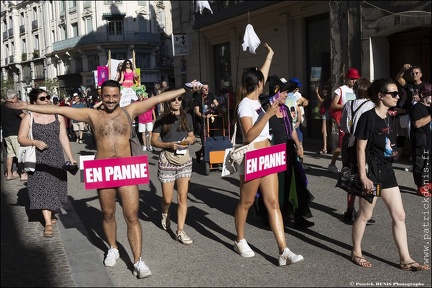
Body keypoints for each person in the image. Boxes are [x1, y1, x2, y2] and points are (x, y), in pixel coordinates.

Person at [7, 79, 202, 278]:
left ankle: (138, 260)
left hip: (126, 169)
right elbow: (60, 110)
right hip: (103, 169)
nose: (110, 100)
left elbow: (160, 97)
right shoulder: (92, 114)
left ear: (119, 95)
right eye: (107, 96)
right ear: (101, 96)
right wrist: (27, 106)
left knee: (132, 216)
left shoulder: (130, 110)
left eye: (114, 96)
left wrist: (185, 90)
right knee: (108, 214)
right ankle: (113, 247)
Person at [233, 43, 304, 266]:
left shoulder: (258, 99)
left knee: (273, 202)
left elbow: (261, 74)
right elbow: (248, 135)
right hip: (253, 156)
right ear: (259, 85)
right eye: (262, 81)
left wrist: (270, 56)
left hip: (268, 156)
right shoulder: (246, 105)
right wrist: (268, 114)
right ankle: (240, 239)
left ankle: (283, 250)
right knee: (245, 202)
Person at [351, 77, 430, 271]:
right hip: (372, 172)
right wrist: (363, 176)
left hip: (387, 172)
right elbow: (360, 148)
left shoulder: (390, 116)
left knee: (400, 215)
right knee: (365, 215)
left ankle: (405, 258)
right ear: (380, 96)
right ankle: (356, 252)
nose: (397, 97)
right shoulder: (368, 117)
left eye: (398, 93)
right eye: (393, 94)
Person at [17, 88, 77, 237]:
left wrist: (70, 157)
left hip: (56, 157)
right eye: (42, 98)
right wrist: (34, 142)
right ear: (34, 102)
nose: (47, 100)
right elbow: (21, 138)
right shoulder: (28, 117)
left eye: (47, 97)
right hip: (39, 160)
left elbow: (63, 137)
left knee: (56, 186)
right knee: (44, 188)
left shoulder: (58, 114)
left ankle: (50, 213)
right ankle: (48, 223)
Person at [264, 75, 315, 229]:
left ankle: (298, 216)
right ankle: (277, 217)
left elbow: (291, 129)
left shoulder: (285, 109)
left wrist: (299, 146)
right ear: (276, 92)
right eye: (285, 93)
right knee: (277, 187)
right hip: (273, 153)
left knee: (296, 183)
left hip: (288, 150)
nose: (287, 96)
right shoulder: (266, 109)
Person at [151, 89, 196, 244]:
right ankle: (165, 212)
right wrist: (168, 144)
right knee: (168, 199)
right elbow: (153, 141)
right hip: (167, 160)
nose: (177, 102)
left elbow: (192, 135)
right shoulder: (161, 119)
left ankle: (180, 231)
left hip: (184, 160)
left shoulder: (187, 116)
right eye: (173, 99)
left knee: (183, 197)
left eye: (179, 99)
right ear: (168, 101)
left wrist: (190, 140)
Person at [340, 77, 375, 223]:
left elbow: (343, 125)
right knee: (367, 174)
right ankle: (364, 213)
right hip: (365, 143)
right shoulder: (371, 105)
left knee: (350, 175)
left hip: (349, 141)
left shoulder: (349, 104)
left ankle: (349, 210)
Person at [328, 68, 360, 174]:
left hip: (355, 120)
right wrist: (346, 106)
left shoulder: (357, 90)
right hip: (344, 120)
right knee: (342, 145)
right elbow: (333, 105)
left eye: (356, 79)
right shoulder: (341, 89)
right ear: (347, 78)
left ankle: (350, 166)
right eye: (352, 79)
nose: (354, 81)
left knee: (353, 144)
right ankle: (334, 165)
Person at [409, 82, 431, 197]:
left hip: (429, 139)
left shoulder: (430, 107)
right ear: (422, 95)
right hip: (420, 140)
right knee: (420, 164)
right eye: (429, 95)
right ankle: (420, 185)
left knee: (429, 162)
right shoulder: (416, 107)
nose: (431, 97)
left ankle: (429, 183)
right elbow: (417, 124)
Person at [1, 89, 27, 181]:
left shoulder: (2, 106)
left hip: (6, 134)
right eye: (17, 97)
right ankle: (23, 174)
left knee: (10, 155)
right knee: (19, 154)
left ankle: (9, 174)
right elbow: (24, 117)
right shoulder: (13, 106)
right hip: (15, 133)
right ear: (14, 97)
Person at [193, 82, 219, 163]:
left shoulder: (211, 95)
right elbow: (196, 111)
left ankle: (200, 153)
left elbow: (216, 104)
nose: (206, 89)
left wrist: (215, 107)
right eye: (204, 88)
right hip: (201, 121)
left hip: (210, 120)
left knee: (211, 139)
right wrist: (204, 116)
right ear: (201, 89)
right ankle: (206, 157)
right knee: (204, 140)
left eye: (207, 88)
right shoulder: (198, 98)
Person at [288, 77, 309, 169]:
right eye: (296, 88)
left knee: (299, 142)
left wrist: (300, 103)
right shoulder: (287, 95)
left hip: (295, 122)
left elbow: (305, 102)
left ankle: (301, 161)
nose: (298, 89)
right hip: (289, 122)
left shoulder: (296, 95)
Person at [314, 84, 332, 155]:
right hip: (327, 111)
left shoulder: (329, 94)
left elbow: (322, 101)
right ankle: (328, 146)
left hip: (326, 112)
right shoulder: (329, 93)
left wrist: (317, 93)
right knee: (327, 129)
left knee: (324, 129)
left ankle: (325, 147)